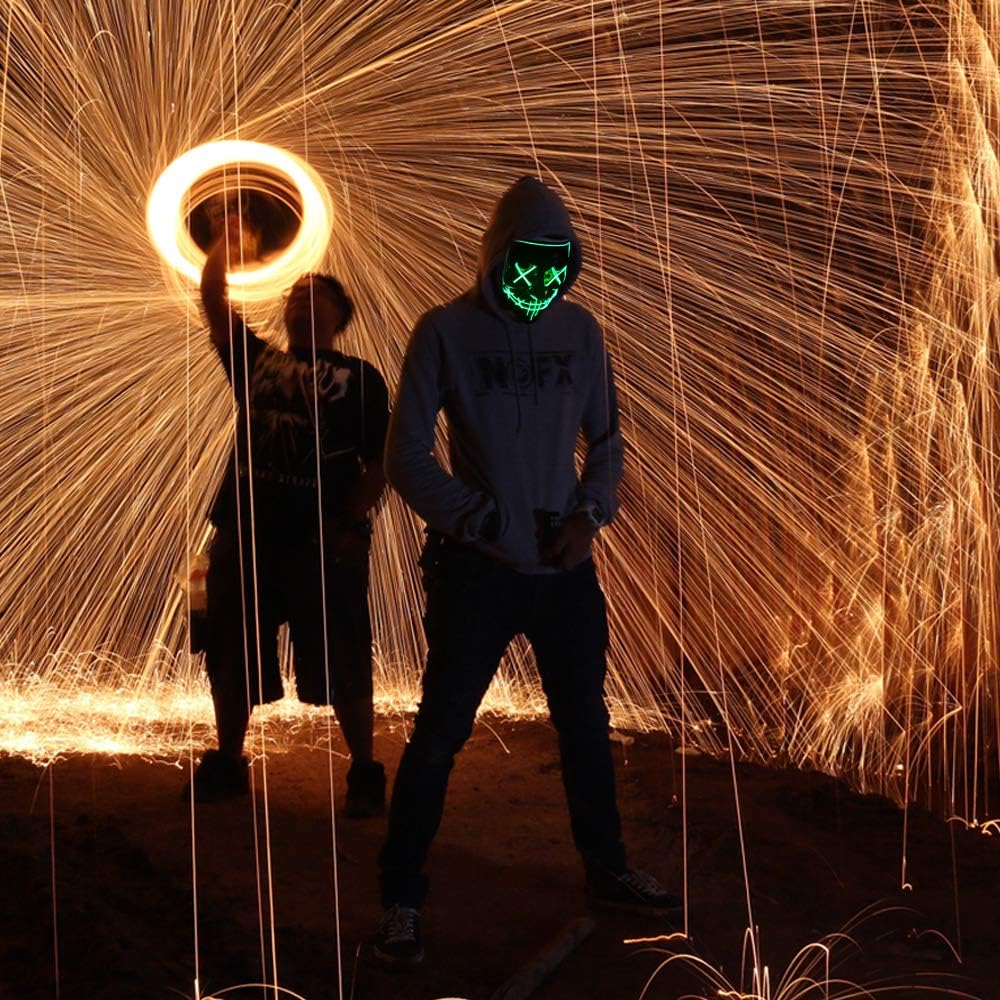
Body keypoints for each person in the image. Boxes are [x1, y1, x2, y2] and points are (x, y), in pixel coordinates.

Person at [372, 176, 682, 969]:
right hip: (479, 572)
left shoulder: (580, 333)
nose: (542, 280)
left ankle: (607, 868)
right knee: (440, 735)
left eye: (556, 264)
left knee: (585, 724)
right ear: (496, 256)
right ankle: (401, 897)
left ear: (571, 263)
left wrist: (588, 517)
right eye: (529, 263)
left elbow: (608, 439)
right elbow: (404, 454)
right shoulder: (443, 332)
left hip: (562, 570)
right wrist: (477, 521)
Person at [188, 213, 390, 818]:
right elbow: (212, 298)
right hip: (244, 538)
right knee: (230, 649)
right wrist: (227, 240)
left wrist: (349, 520)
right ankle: (228, 762)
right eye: (294, 294)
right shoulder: (257, 361)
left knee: (344, 654)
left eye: (314, 295)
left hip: (320, 545)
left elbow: (382, 461)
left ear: (338, 316)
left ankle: (364, 771)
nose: (300, 300)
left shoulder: (361, 379)